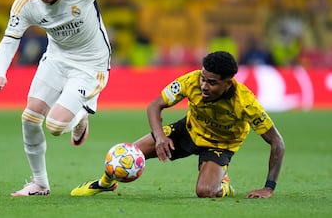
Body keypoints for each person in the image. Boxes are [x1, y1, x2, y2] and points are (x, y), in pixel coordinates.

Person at [0, 0, 179, 196]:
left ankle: (80, 118)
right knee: (29, 118)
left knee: (55, 126)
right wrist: (0, 72)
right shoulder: (25, 3)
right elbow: (10, 39)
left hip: (91, 64)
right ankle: (40, 184)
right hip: (56, 59)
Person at [71, 51, 285, 198]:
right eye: (203, 78)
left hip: (219, 145)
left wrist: (269, 188)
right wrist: (160, 137)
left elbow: (277, 143)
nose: (204, 86)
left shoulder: (246, 103)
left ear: (228, 83)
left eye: (212, 82)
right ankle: (105, 183)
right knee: (128, 153)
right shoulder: (191, 81)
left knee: (205, 192)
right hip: (188, 131)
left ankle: (223, 185)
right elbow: (154, 106)